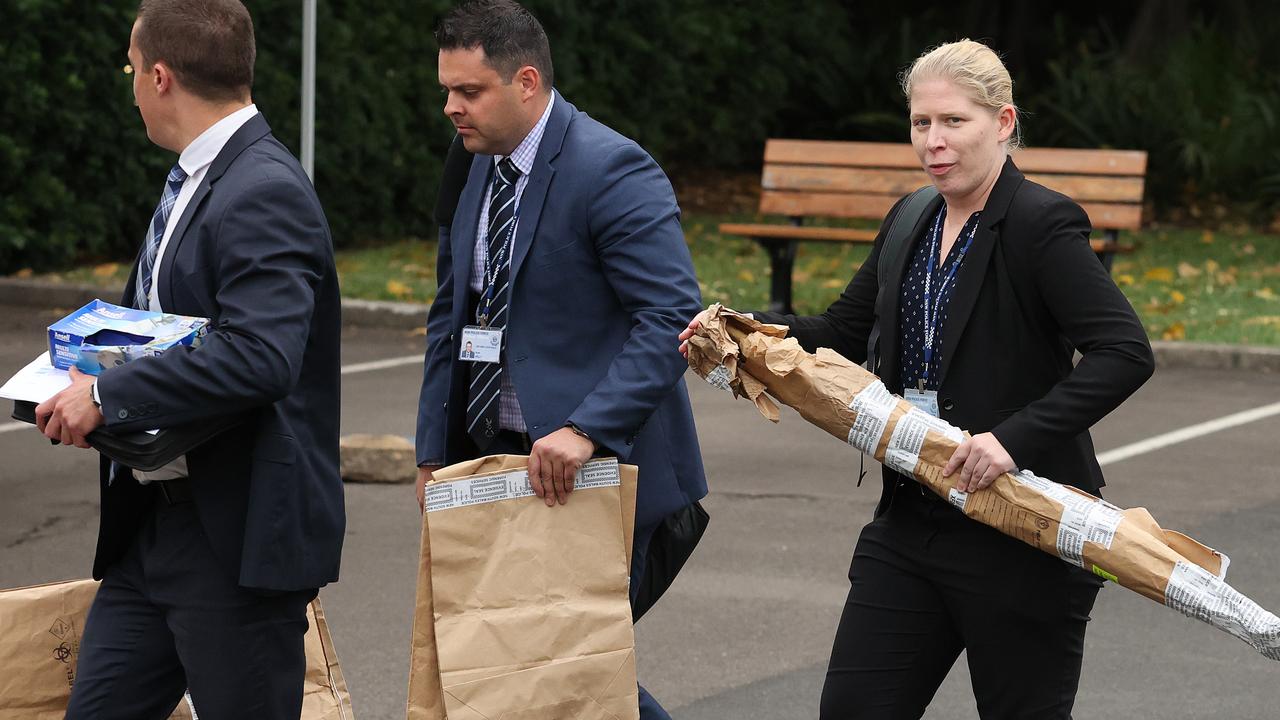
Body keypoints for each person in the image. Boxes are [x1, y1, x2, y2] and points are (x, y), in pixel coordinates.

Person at [680, 39, 1154, 718]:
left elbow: (1125, 351)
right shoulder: (910, 218)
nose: (934, 141)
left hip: (1020, 526)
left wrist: (1010, 440)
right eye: (921, 123)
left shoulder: (1040, 223)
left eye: (954, 122)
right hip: (912, 520)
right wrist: (737, 327)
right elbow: (842, 331)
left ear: (1003, 123)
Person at [34, 1, 344, 717]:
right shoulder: (197, 176)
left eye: (131, 69)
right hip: (152, 527)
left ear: (161, 76)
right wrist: (85, 371)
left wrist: (107, 399)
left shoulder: (262, 188)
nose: (132, 85)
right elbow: (170, 330)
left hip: (232, 544)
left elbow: (261, 355)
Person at [415, 2, 706, 717]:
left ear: (525, 81)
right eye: (446, 90)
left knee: (553, 672)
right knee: (523, 676)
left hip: (595, 473)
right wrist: (431, 451)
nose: (451, 107)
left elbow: (672, 317)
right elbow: (449, 313)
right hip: (496, 465)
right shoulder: (472, 162)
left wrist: (586, 426)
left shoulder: (610, 168)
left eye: (469, 91)